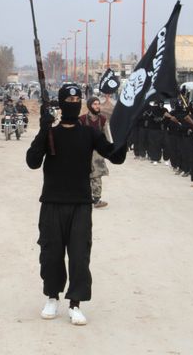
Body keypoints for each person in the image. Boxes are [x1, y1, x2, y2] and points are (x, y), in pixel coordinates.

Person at [26, 84, 126, 326]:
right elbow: (32, 162)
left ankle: (75, 304)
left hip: (80, 204)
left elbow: (116, 156)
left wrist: (127, 132)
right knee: (51, 254)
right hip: (52, 203)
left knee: (80, 256)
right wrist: (42, 130)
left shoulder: (89, 133)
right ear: (60, 103)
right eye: (68, 98)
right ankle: (52, 296)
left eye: (76, 98)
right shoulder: (51, 133)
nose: (72, 101)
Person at [79, 96, 110, 208]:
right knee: (82, 176)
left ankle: (96, 200)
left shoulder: (103, 119)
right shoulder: (81, 119)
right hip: (83, 152)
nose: (97, 106)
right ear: (89, 106)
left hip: (97, 153)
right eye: (94, 104)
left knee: (96, 176)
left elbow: (108, 136)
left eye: (98, 104)